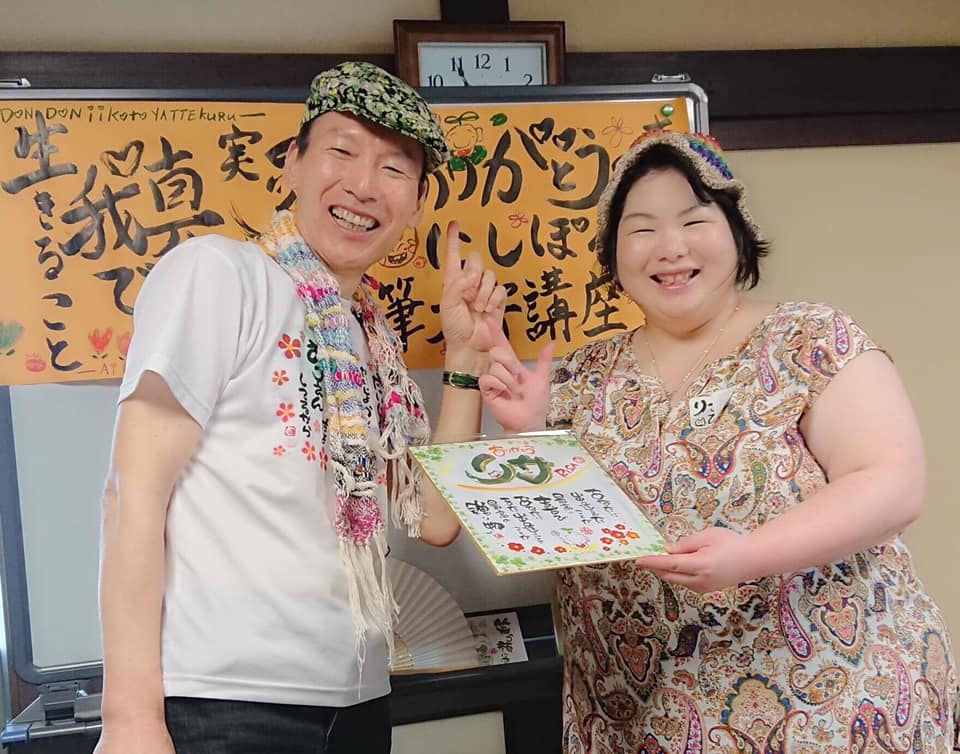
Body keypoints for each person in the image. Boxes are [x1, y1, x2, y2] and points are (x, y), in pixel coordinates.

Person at [479, 130, 960, 752]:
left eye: (693, 220)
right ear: (613, 254)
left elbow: (891, 483)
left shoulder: (808, 338)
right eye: (641, 228)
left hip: (830, 707)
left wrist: (751, 555)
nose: (670, 247)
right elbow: (557, 537)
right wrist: (528, 437)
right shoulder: (579, 374)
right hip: (638, 719)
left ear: (737, 234)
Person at [94, 61, 505, 754]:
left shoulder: (369, 338)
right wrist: (129, 718)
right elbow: (131, 493)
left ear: (417, 204)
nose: (364, 186)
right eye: (342, 151)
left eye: (394, 169)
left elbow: (434, 519)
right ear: (293, 163)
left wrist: (464, 361)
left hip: (358, 700)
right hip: (226, 700)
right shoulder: (221, 274)